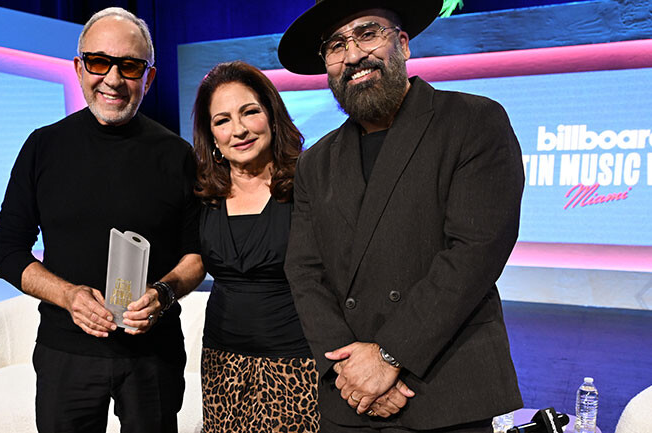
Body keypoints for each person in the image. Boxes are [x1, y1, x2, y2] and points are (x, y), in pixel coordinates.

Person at [278, 0, 525, 432]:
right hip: (349, 396)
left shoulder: (473, 121)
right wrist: (351, 369)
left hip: (444, 391)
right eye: (337, 45)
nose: (353, 55)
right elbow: (304, 271)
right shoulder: (315, 162)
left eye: (368, 33)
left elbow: (473, 254)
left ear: (403, 44)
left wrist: (389, 356)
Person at [0, 7, 204, 433]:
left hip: (152, 355)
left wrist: (163, 293)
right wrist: (69, 296)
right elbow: (7, 250)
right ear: (78, 67)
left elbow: (197, 253)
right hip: (65, 352)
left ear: (149, 77)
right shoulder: (43, 147)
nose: (112, 79)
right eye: (98, 62)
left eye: (129, 66)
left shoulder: (177, 154)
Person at [191, 61, 319, 432]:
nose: (240, 130)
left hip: (297, 362)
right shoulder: (202, 194)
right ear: (211, 135)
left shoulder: (308, 182)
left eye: (250, 112)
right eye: (223, 120)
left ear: (272, 117)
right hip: (221, 363)